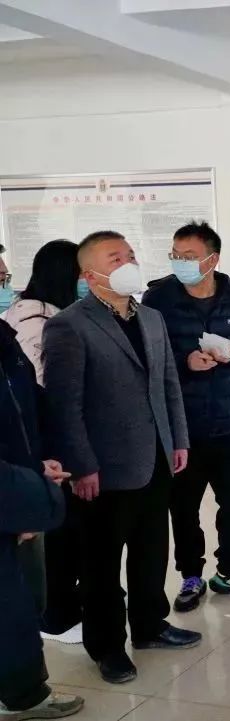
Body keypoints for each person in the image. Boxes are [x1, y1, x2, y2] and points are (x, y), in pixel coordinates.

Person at [43, 231, 201, 685]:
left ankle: (150, 625)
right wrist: (82, 465)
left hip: (154, 457)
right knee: (101, 563)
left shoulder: (151, 317)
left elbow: (168, 384)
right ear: (90, 274)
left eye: (130, 255)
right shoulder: (69, 325)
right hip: (103, 467)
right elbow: (64, 404)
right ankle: (107, 646)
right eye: (116, 258)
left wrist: (178, 439)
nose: (128, 263)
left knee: (152, 549)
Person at [143, 222, 230, 612]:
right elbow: (148, 357)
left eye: (189, 256)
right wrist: (186, 362)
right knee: (183, 508)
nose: (180, 262)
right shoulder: (157, 299)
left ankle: (228, 569)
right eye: (175, 255)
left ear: (212, 259)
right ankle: (190, 575)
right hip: (183, 428)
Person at [0, 246, 84, 720]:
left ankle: (22, 690)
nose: (6, 287)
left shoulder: (4, 338)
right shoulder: (32, 323)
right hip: (12, 492)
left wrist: (40, 461)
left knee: (21, 599)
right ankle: (23, 695)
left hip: (22, 480)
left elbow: (27, 404)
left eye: (5, 275)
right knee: (11, 603)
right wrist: (28, 498)